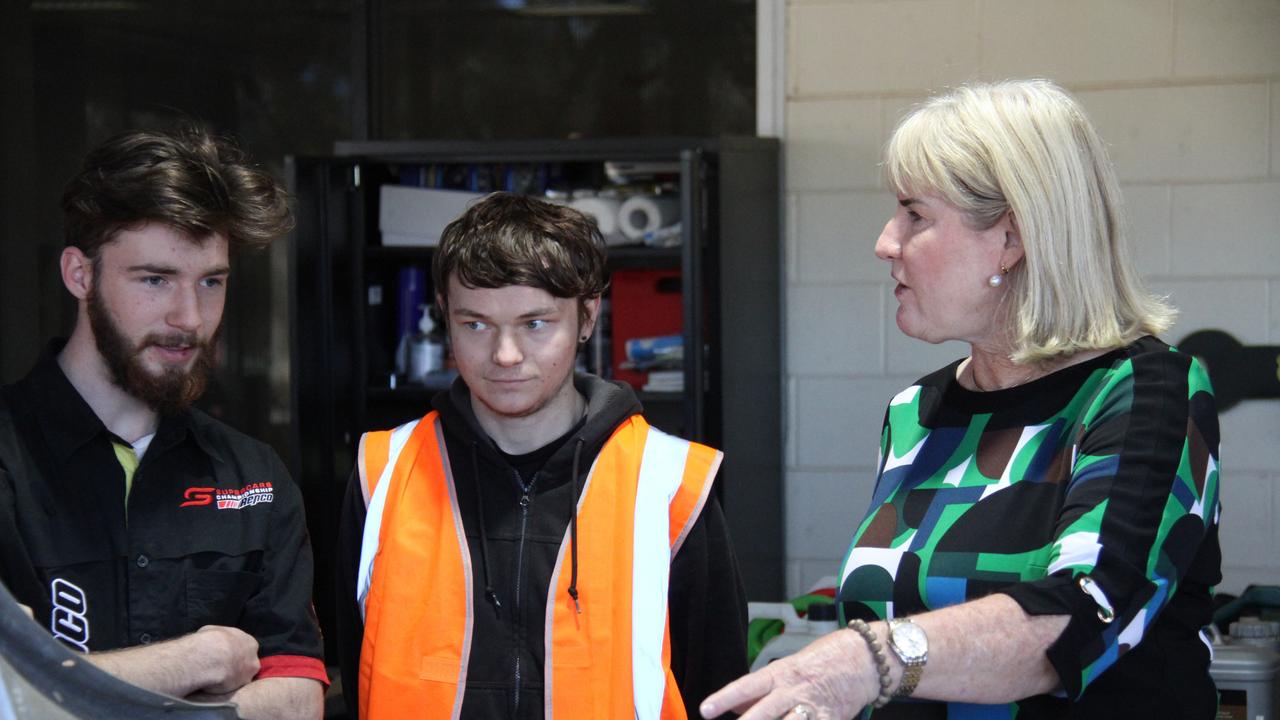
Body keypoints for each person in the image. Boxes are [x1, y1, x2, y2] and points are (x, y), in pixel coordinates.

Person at [701, 79, 1222, 720]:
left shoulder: (1145, 393)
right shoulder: (914, 412)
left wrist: (867, 660)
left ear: (1012, 237)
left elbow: (1085, 612)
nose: (885, 242)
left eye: (915, 215)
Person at [336, 192, 748, 719]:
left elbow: (722, 698)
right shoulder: (384, 473)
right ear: (445, 316)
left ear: (587, 318)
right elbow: (354, 676)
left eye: (535, 324)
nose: (505, 356)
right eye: (476, 325)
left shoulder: (670, 485)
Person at [0, 128, 327, 720]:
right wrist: (199, 661)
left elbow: (299, 697)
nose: (190, 317)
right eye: (155, 280)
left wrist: (66, 688)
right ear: (80, 274)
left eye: (211, 282)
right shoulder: (9, 459)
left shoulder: (254, 475)